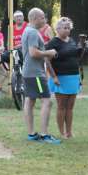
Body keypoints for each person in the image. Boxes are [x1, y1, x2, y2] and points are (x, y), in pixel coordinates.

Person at [22, 8, 60, 144]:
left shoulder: (29, 31)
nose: (45, 20)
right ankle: (44, 135)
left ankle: (32, 134)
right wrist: (49, 52)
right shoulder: (32, 32)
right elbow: (33, 53)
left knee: (29, 101)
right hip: (35, 74)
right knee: (47, 101)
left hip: (29, 72)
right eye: (43, 17)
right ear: (35, 18)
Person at [45, 17, 84, 139]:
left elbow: (77, 57)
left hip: (73, 76)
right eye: (64, 28)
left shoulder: (71, 40)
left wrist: (82, 47)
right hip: (60, 77)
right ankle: (62, 132)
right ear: (57, 29)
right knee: (61, 106)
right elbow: (47, 61)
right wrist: (54, 77)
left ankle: (69, 132)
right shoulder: (53, 43)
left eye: (69, 28)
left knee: (70, 107)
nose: (67, 30)